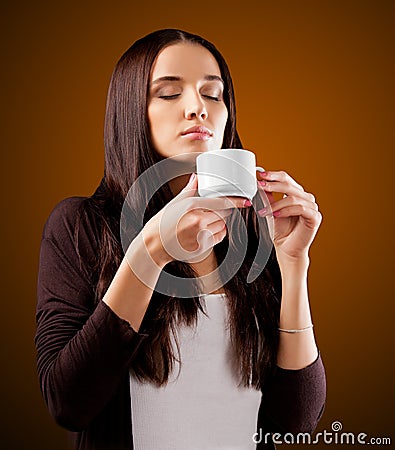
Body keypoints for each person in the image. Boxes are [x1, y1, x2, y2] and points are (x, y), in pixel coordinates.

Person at [35, 29, 326, 450]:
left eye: (213, 94)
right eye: (169, 94)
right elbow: (68, 403)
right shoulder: (80, 226)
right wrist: (151, 252)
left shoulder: (254, 235)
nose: (197, 109)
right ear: (132, 113)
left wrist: (294, 265)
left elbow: (294, 423)